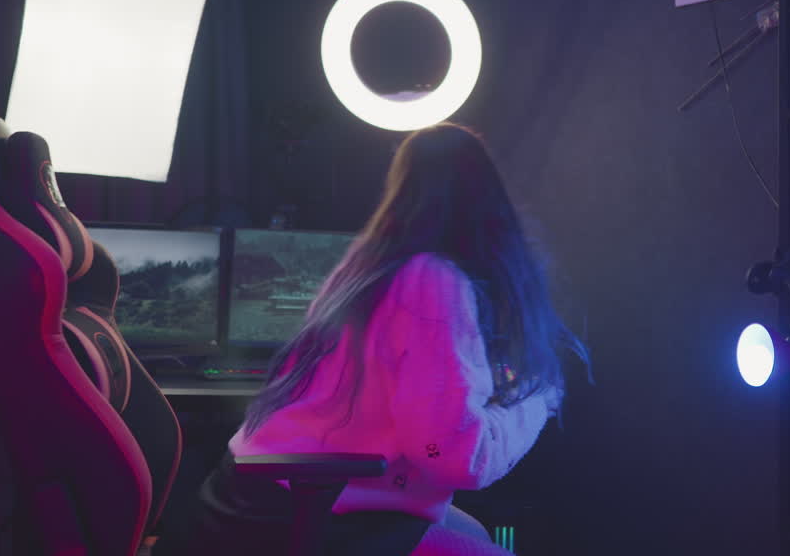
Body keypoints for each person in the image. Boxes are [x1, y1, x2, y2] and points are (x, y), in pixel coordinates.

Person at [185, 122, 591, 555]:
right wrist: (537, 400)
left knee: (474, 533)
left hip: (253, 503)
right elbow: (452, 456)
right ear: (487, 200)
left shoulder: (368, 266)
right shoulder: (431, 280)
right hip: (301, 520)